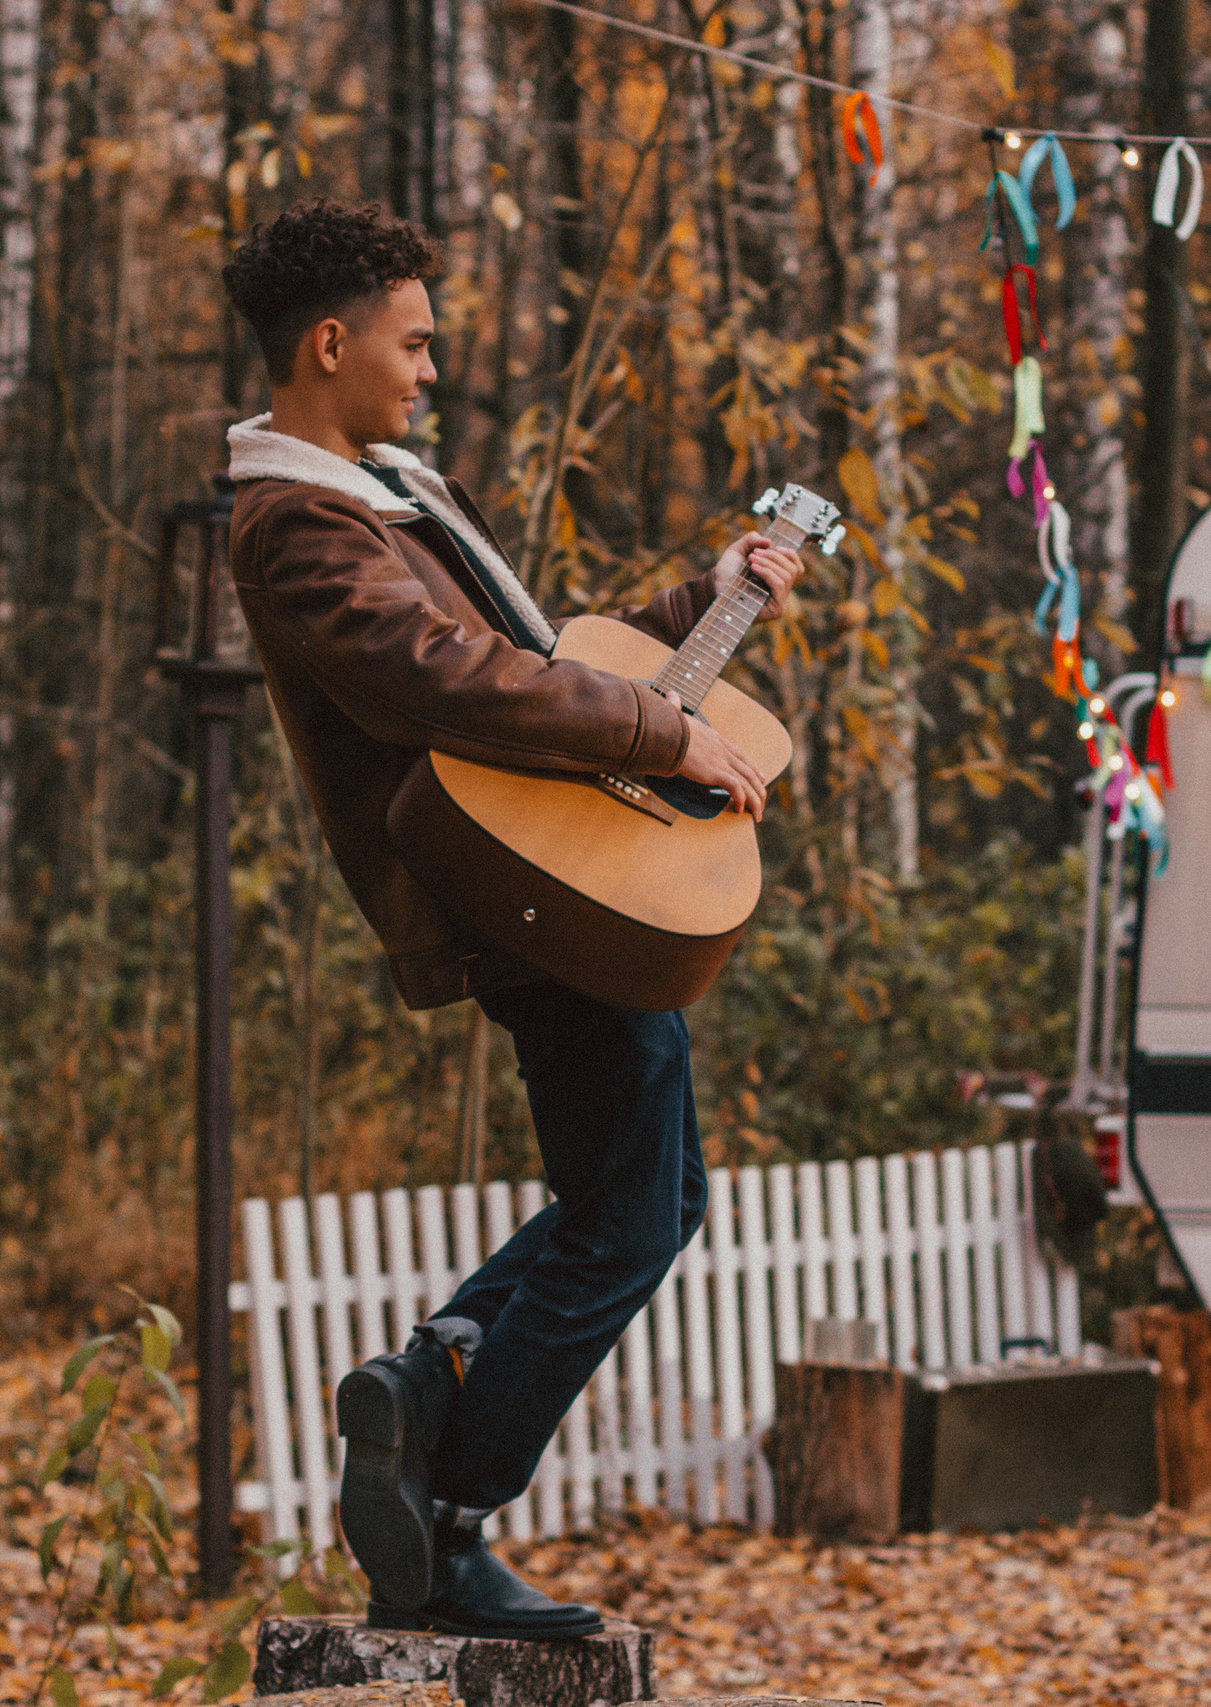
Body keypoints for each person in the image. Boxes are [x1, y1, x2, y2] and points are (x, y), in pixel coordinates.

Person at [219, 198, 807, 1640]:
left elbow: (540, 665)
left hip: (569, 871)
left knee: (654, 1199)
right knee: (628, 1214)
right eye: (412, 342)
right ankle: (446, 1505)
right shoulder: (298, 522)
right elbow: (447, 683)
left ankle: (428, 1378)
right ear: (330, 340)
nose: (430, 368)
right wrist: (671, 746)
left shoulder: (389, 489)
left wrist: (704, 602)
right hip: (523, 891)